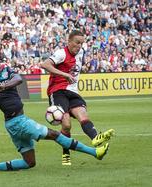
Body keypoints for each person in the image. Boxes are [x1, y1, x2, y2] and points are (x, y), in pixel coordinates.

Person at [0, 53, 110, 173]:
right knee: (55, 134)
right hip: (17, 122)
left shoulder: (7, 71)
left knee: (29, 163)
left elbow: (18, 79)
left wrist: (4, 85)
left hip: (14, 123)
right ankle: (96, 152)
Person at [41, 30, 114, 166]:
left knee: (83, 116)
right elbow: (44, 65)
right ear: (69, 42)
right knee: (67, 125)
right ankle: (66, 153)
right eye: (77, 43)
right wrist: (65, 74)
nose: (79, 46)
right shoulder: (61, 53)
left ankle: (95, 138)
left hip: (73, 92)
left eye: (81, 43)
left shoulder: (81, 52)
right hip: (58, 91)